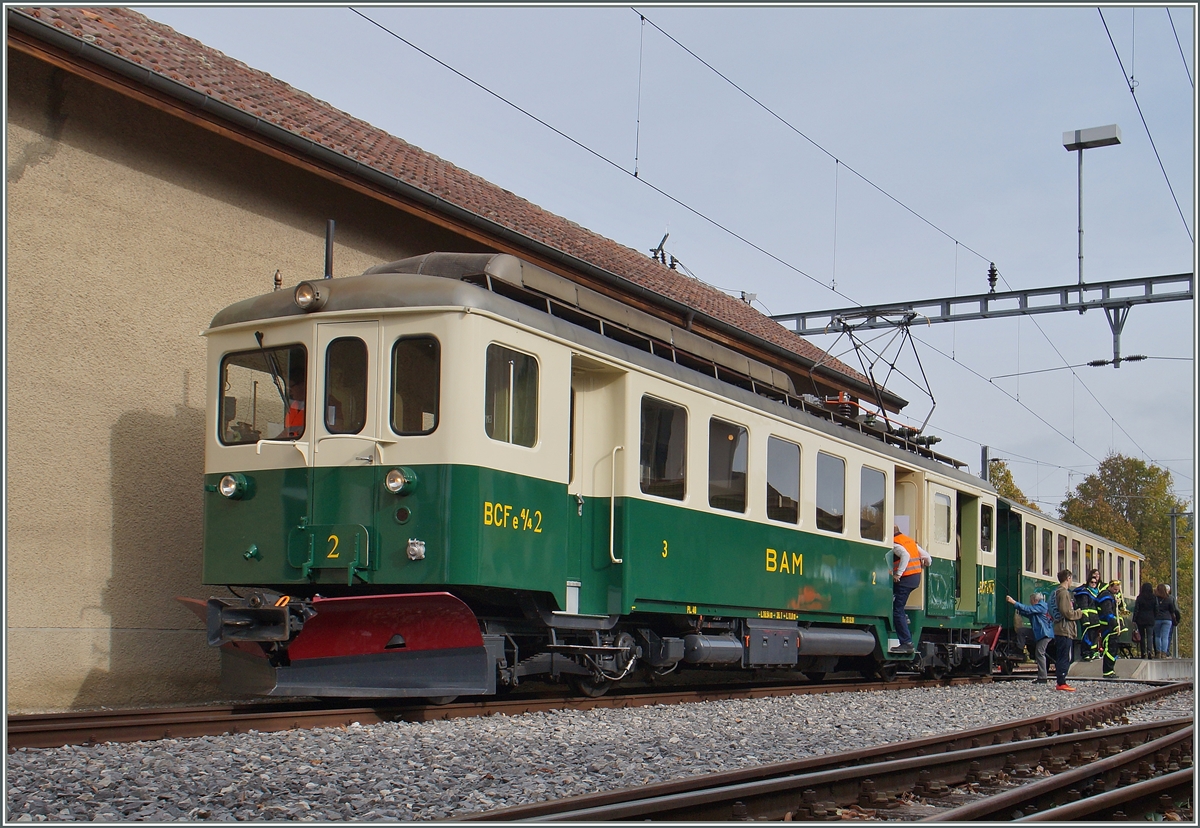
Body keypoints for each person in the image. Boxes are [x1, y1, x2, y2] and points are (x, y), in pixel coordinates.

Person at [890, 525, 932, 654]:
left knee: (897, 610)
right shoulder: (909, 540)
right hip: (914, 579)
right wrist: (927, 564)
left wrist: (898, 574)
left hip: (905, 579)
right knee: (898, 605)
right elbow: (927, 557)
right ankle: (905, 618)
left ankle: (906, 643)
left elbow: (905, 555)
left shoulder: (895, 543)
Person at [1051, 569, 1090, 692]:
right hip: (1064, 629)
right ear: (1068, 578)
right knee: (1064, 656)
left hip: (1060, 628)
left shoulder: (1056, 592)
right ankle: (1061, 682)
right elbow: (1067, 612)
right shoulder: (1064, 593)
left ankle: (1061, 681)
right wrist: (1079, 613)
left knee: (1062, 655)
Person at [1006, 592, 1053, 683]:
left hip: (1044, 634)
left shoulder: (1042, 606)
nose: (1030, 603)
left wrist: (1014, 602)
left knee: (1040, 653)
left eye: (1031, 601)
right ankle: (1019, 649)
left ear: (1035, 600)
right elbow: (1028, 612)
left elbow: (1028, 609)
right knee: (1021, 631)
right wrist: (1018, 610)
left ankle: (1043, 677)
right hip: (1039, 632)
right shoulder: (1039, 608)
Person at [1094, 579, 1123, 677]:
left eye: (1117, 590)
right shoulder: (1106, 597)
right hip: (1108, 626)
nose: (1116, 591)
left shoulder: (1110, 596)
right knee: (1110, 647)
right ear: (1110, 587)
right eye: (1115, 589)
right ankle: (1108, 671)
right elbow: (1108, 613)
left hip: (1109, 626)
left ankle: (1110, 669)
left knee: (1113, 648)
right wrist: (1115, 625)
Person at [1072, 569, 1103, 660]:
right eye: (1091, 582)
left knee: (1094, 638)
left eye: (1095, 582)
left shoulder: (1097, 593)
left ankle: (1093, 652)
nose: (1093, 584)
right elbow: (1084, 607)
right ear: (1088, 582)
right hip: (1089, 621)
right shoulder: (1085, 593)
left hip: (1097, 620)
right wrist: (1085, 620)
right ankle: (1086, 653)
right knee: (1087, 637)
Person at [1154, 584, 1181, 659]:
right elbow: (1172, 610)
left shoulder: (1155, 598)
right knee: (1165, 636)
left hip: (1157, 619)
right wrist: (1175, 619)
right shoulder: (1169, 598)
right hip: (1167, 619)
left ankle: (1158, 652)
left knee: (1157, 636)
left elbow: (1154, 609)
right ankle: (1164, 653)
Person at [1132, 582, 1157, 660]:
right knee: (1150, 635)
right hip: (1150, 618)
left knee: (1142, 636)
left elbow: (1136, 609)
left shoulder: (1140, 597)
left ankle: (1143, 652)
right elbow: (1156, 608)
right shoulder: (1153, 597)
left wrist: (1134, 619)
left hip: (1141, 618)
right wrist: (1154, 616)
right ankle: (1149, 651)